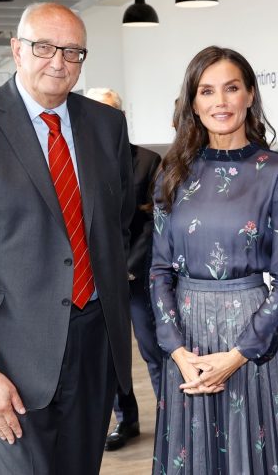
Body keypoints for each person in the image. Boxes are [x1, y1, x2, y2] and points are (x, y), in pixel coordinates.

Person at [0, 3, 134, 474]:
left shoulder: (106, 126)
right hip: (10, 355)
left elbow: (116, 224)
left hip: (94, 340)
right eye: (44, 47)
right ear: (17, 50)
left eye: (73, 51)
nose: (58, 61)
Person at [150, 46, 278, 474]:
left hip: (251, 339)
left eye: (231, 88)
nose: (220, 101)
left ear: (250, 95)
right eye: (207, 91)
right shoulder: (171, 173)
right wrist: (177, 350)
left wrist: (240, 353)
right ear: (193, 102)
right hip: (189, 345)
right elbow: (160, 269)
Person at [85, 87, 164, 451]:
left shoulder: (147, 161)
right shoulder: (76, 161)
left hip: (137, 275)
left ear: (120, 117)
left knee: (153, 348)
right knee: (112, 356)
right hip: (95, 280)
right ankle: (126, 420)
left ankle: (170, 417)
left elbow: (155, 222)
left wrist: (128, 267)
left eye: (108, 113)